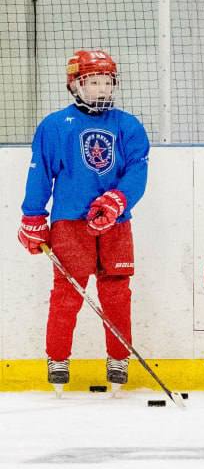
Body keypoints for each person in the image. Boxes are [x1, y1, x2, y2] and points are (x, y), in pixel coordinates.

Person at [18, 50, 150, 396]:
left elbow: (138, 170)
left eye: (107, 82)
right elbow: (40, 173)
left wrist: (117, 200)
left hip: (116, 224)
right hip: (70, 225)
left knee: (117, 294)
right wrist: (33, 215)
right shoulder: (54, 126)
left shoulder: (127, 125)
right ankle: (58, 359)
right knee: (66, 295)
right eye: (93, 82)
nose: (102, 89)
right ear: (75, 85)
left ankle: (118, 358)